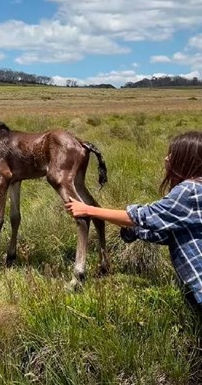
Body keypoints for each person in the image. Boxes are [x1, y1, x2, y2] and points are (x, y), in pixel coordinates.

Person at [65, 131, 202, 313]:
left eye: (172, 154)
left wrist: (89, 210)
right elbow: (167, 232)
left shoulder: (189, 190)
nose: (166, 158)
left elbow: (144, 215)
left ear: (186, 160)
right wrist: (135, 231)